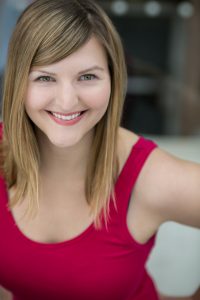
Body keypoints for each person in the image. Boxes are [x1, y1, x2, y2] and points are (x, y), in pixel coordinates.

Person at [0, 0, 199, 299]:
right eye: (44, 78)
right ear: (18, 84)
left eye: (88, 76)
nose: (67, 102)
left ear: (113, 79)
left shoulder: (149, 176)